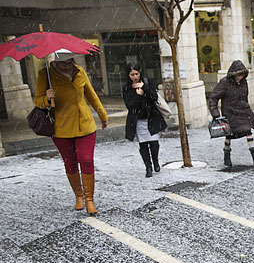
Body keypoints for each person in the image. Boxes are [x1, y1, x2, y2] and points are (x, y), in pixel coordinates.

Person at [34, 51, 108, 216]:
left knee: (86, 160)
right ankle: (79, 196)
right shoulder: (45, 76)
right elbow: (37, 101)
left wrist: (102, 114)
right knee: (70, 162)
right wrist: (47, 98)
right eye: (64, 64)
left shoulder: (79, 71)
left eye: (70, 63)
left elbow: (91, 94)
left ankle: (89, 199)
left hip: (85, 124)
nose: (68, 67)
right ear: (56, 64)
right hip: (61, 127)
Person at [208, 60, 254, 167]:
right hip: (230, 113)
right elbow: (213, 97)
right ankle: (227, 156)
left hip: (243, 112)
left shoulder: (244, 82)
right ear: (233, 74)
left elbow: (245, 98)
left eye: (242, 74)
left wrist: (249, 113)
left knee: (248, 132)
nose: (240, 77)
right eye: (239, 75)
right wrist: (215, 113)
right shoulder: (224, 83)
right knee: (229, 135)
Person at [123, 63, 167, 177]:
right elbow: (129, 105)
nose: (135, 77)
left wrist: (145, 90)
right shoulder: (127, 88)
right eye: (132, 74)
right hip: (138, 120)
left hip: (151, 118)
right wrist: (138, 95)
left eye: (136, 74)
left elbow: (154, 97)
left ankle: (156, 161)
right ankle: (148, 167)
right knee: (143, 145)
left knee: (154, 143)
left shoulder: (146, 83)